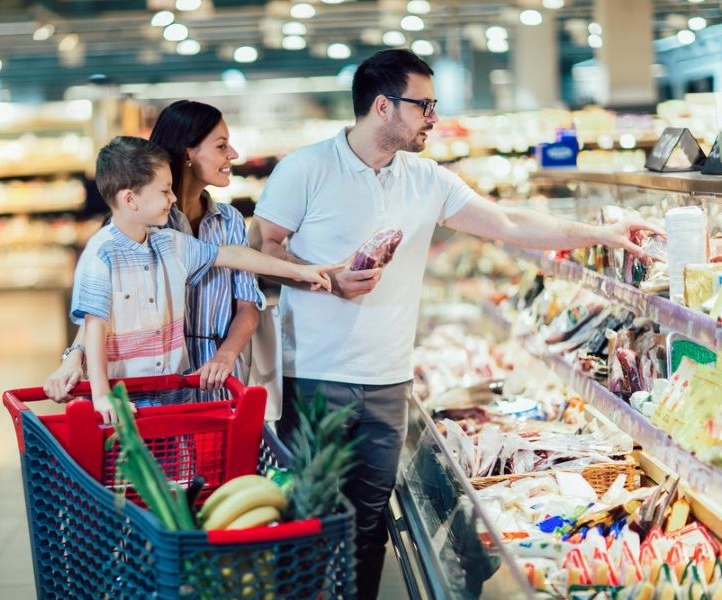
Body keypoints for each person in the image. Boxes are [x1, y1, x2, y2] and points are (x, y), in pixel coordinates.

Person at [249, 49, 662, 600]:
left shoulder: (427, 180)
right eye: (424, 105)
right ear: (382, 106)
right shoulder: (306, 168)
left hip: (388, 380)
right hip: (315, 374)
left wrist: (603, 234)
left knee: (370, 528)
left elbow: (508, 222)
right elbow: (263, 248)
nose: (433, 117)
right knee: (309, 519)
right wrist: (324, 279)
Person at [72, 135, 333, 423]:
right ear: (130, 199)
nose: (172, 198)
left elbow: (234, 255)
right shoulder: (101, 255)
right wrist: (101, 394)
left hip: (174, 399)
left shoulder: (169, 243)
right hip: (123, 409)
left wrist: (302, 271)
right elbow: (94, 327)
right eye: (165, 191)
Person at [45, 100, 263, 402]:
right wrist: (75, 355)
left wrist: (225, 357)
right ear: (188, 153)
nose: (233, 155)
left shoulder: (230, 221)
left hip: (219, 382)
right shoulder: (143, 224)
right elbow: (104, 312)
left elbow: (248, 305)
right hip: (156, 387)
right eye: (222, 146)